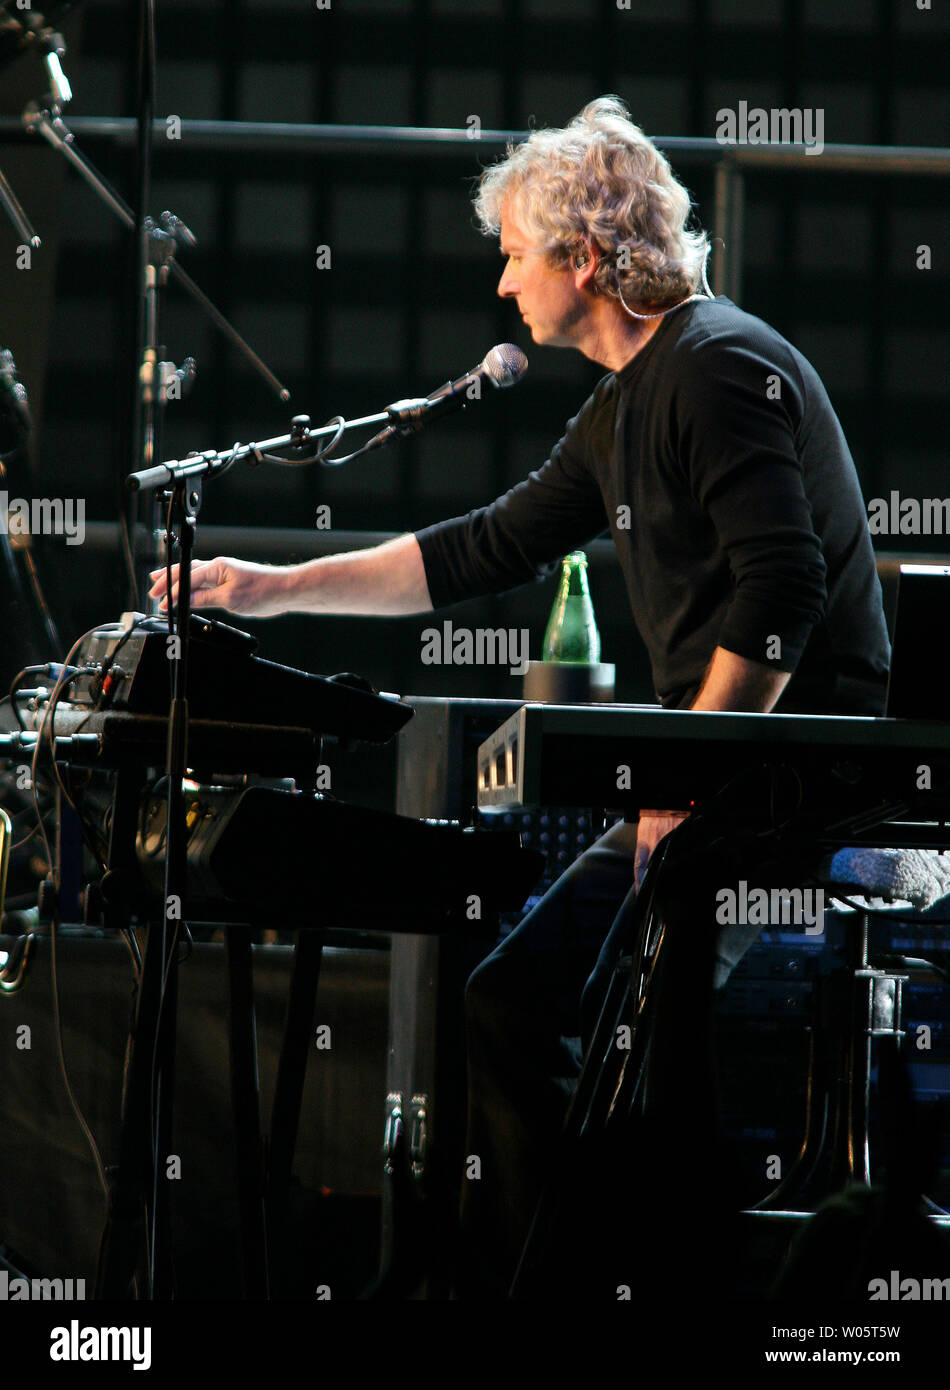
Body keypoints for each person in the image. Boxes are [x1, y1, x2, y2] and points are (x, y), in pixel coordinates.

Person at [150, 97, 891, 1296]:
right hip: (720, 774)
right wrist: (265, 586)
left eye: (511, 253)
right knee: (508, 1002)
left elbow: (783, 588)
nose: (501, 287)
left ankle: (671, 1278)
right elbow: (472, 552)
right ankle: (576, 1281)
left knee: (646, 1028)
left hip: (797, 778)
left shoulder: (716, 367)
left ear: (581, 258)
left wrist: (686, 777)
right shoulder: (617, 409)